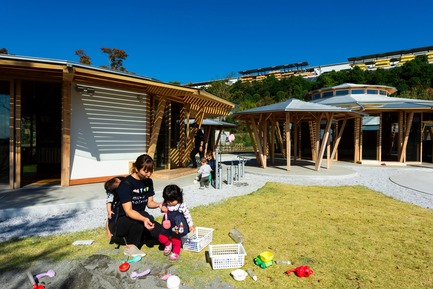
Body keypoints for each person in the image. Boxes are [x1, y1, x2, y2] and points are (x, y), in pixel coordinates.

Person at [109, 154, 163, 254]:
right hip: (121, 221)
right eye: (145, 171)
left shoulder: (148, 182)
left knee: (161, 233)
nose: (149, 174)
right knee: (139, 223)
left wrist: (159, 204)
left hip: (141, 216)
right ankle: (131, 247)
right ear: (136, 169)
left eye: (151, 171)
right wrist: (144, 219)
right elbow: (128, 211)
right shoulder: (125, 184)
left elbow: (150, 203)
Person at [158, 184, 195, 261]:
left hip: (177, 225)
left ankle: (175, 252)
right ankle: (168, 244)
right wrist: (162, 208)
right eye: (168, 201)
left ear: (178, 198)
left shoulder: (181, 206)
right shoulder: (166, 203)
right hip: (167, 223)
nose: (169, 203)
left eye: (172, 201)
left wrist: (190, 225)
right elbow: (162, 208)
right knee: (161, 236)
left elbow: (187, 215)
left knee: (176, 239)